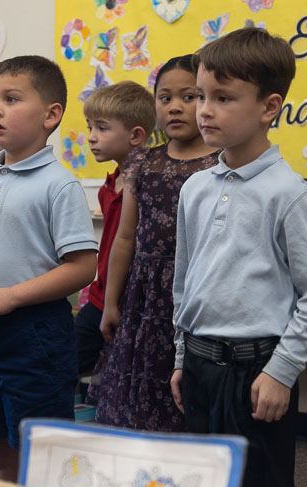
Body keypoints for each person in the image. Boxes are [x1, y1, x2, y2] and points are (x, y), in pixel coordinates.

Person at [169, 28, 307, 487]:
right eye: (201, 96)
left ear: (269, 107)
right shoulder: (195, 188)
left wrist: (282, 372)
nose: (204, 110)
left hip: (257, 374)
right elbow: (186, 284)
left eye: (223, 98)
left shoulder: (288, 193)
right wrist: (182, 357)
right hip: (200, 366)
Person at [0, 55, 98, 481]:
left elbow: (82, 267)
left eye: (11, 99)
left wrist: (13, 296)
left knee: (40, 449)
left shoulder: (59, 184)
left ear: (51, 115)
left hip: (35, 334)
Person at [90, 55, 219, 431]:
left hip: (195, 290)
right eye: (165, 98)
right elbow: (125, 238)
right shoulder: (142, 164)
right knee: (141, 395)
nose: (175, 107)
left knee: (188, 398)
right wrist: (110, 302)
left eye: (189, 97)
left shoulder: (220, 163)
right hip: (144, 296)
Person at [74, 81, 156, 379]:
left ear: (135, 136)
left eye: (102, 128)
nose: (91, 137)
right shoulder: (110, 183)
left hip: (131, 302)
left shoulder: (149, 183)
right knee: (65, 365)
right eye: (90, 127)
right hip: (101, 296)